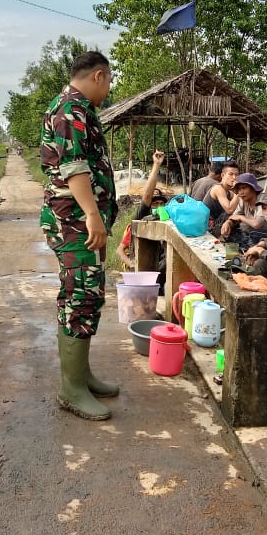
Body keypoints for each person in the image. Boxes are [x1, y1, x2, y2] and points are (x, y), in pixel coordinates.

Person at [41, 51, 120, 421]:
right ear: (99, 76)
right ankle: (70, 388)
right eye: (110, 81)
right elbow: (74, 165)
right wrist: (92, 214)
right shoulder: (70, 109)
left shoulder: (76, 107)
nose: (109, 88)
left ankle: (81, 375)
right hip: (74, 221)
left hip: (78, 221)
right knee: (78, 296)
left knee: (87, 295)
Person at [116, 150, 170, 288]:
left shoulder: (165, 220)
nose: (157, 206)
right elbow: (120, 250)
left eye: (160, 203)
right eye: (154, 203)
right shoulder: (141, 218)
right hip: (141, 269)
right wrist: (156, 166)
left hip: (157, 267)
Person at [220, 172, 267, 252]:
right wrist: (228, 222)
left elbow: (256, 224)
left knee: (253, 234)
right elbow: (234, 217)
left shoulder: (263, 200)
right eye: (239, 189)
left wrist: (241, 217)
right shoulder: (243, 200)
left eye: (244, 188)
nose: (241, 192)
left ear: (253, 188)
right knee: (230, 230)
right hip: (251, 234)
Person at [203, 160, 239, 236]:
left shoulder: (229, 192)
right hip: (207, 226)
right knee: (231, 215)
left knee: (238, 214)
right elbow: (229, 209)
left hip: (216, 223)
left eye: (236, 174)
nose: (234, 177)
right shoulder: (218, 188)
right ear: (222, 175)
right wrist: (238, 191)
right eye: (231, 174)